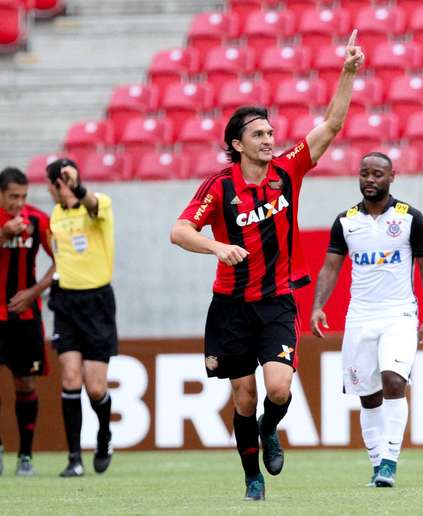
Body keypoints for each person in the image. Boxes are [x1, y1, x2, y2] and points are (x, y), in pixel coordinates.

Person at [170, 30, 365, 502]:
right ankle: (251, 476)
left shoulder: (287, 170)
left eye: (270, 133)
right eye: (257, 134)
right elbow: (179, 231)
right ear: (237, 144)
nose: (268, 140)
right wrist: (217, 248)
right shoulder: (219, 187)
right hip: (231, 306)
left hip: (277, 300)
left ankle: (270, 429)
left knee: (277, 390)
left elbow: (331, 126)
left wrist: (348, 72)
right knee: (242, 396)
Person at [310, 152, 423, 488]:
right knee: (367, 394)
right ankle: (375, 463)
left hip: (399, 313)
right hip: (360, 316)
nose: (370, 179)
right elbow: (331, 266)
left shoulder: (410, 218)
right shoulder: (346, 221)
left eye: (377, 174)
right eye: (365, 173)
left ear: (392, 177)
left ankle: (390, 462)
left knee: (394, 380)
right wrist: (318, 305)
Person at [0, 167, 55, 476]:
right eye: (13, 197)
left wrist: (33, 292)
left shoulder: (39, 220)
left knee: (25, 383)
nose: (19, 204)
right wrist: (2, 236)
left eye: (24, 196)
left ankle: (25, 455)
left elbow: (63, 262)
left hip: (25, 316)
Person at [45, 158, 117, 477]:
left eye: (59, 184)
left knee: (96, 387)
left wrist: (77, 188)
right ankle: (74, 458)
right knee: (71, 378)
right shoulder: (55, 216)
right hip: (66, 303)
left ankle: (104, 436)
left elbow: (89, 204)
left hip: (97, 303)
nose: (54, 191)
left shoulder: (99, 203)